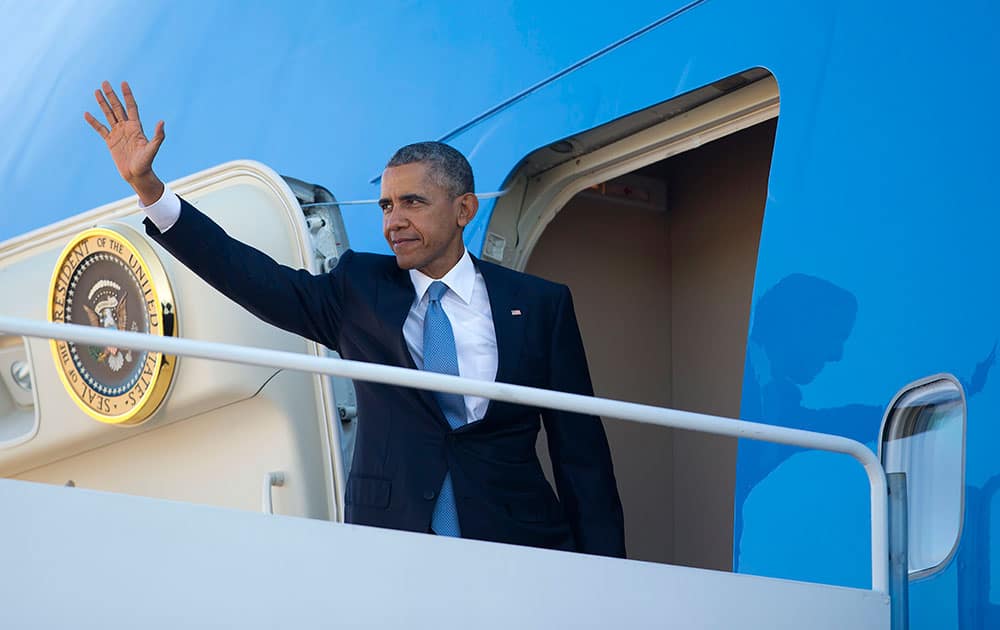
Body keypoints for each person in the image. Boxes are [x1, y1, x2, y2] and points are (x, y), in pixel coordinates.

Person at [85, 81, 626, 557]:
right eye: (387, 206)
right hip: (393, 544)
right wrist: (152, 192)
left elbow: (581, 455)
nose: (394, 221)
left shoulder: (539, 302)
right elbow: (249, 275)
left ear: (464, 210)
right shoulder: (359, 289)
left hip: (519, 543)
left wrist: (608, 577)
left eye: (413, 203)